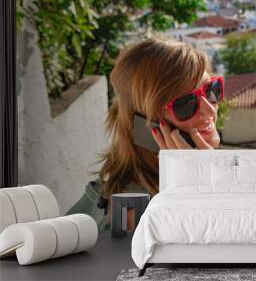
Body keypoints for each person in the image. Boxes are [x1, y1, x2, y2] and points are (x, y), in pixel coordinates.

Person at [67, 37, 224, 229]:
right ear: (149, 128)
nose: (210, 111)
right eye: (186, 104)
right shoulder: (133, 210)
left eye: (211, 90)